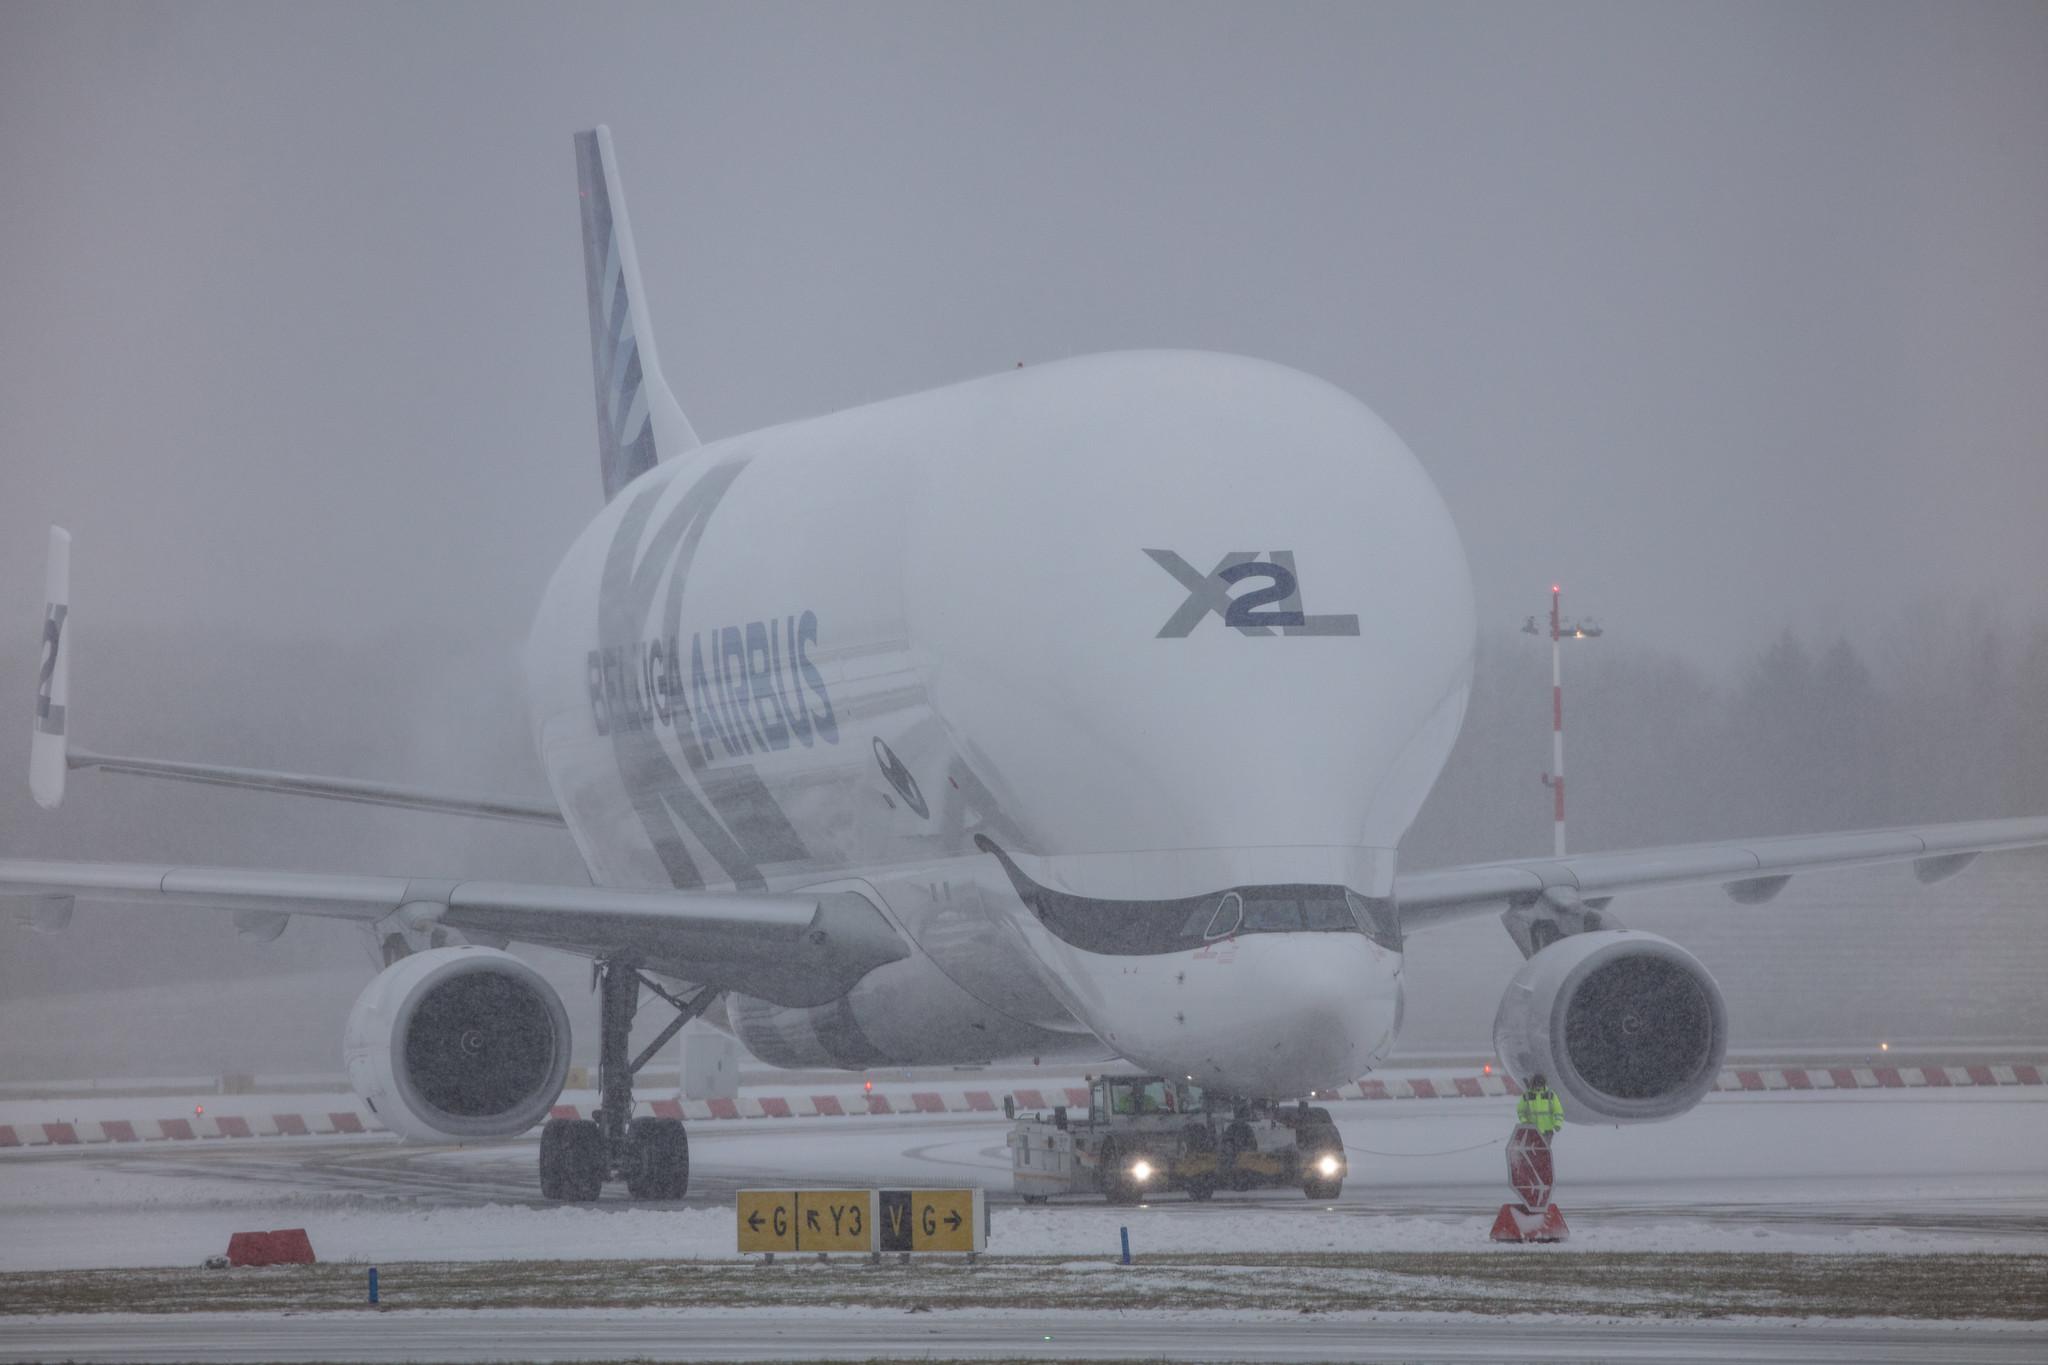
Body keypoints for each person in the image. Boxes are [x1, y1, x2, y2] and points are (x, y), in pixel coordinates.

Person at [1516, 1073, 1564, 1138]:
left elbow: (1558, 1111)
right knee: (1534, 1148)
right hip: (1532, 1131)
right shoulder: (1526, 1096)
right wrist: (1524, 1121)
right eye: (1536, 1085)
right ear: (1533, 1084)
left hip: (1547, 1131)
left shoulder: (1551, 1095)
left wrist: (1558, 1123)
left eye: (1540, 1084)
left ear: (1543, 1084)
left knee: (1543, 1148)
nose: (1538, 1087)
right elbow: (1520, 1111)